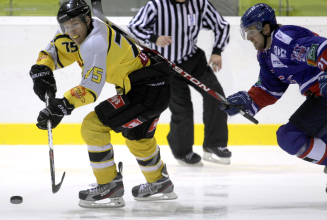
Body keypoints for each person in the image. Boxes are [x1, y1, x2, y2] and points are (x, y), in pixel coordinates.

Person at [29, 0, 178, 208]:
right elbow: (55, 50)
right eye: (66, 25)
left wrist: (61, 106)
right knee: (137, 137)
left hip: (147, 90)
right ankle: (159, 182)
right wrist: (42, 70)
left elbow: (90, 90)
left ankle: (109, 186)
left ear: (86, 20)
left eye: (75, 24)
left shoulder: (95, 42)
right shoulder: (81, 31)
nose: (71, 31)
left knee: (93, 125)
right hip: (149, 82)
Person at [221, 3, 327, 169]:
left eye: (251, 31)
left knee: (290, 137)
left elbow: (323, 48)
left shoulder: (285, 39)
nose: (248, 37)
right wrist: (247, 101)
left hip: (323, 98)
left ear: (266, 28)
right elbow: (270, 89)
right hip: (319, 99)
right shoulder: (265, 56)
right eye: (246, 32)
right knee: (297, 140)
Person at [128, 0, 231, 166]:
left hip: (192, 60)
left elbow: (222, 25)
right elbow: (133, 28)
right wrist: (154, 38)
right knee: (182, 109)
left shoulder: (200, 4)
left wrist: (217, 51)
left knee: (216, 96)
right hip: (165, 66)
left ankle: (214, 143)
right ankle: (183, 152)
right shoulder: (156, 5)